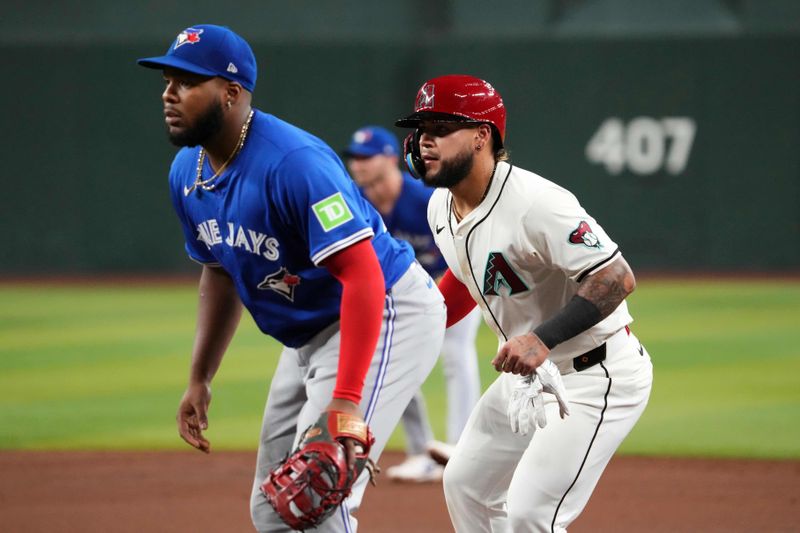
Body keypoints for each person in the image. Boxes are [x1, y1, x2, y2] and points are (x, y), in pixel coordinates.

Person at [137, 25, 446, 533]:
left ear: (231, 93)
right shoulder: (186, 173)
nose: (169, 94)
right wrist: (200, 378)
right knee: (274, 507)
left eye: (187, 81)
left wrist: (346, 401)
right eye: (168, 79)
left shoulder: (294, 164)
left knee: (320, 495)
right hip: (310, 335)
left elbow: (364, 275)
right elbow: (218, 273)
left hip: (386, 310)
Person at [395, 74, 653, 532]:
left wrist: (541, 338)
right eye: (420, 129)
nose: (424, 141)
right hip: (528, 378)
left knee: (532, 514)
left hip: (594, 376)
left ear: (481, 136)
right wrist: (414, 328)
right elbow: (464, 274)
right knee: (466, 485)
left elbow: (616, 277)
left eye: (440, 129)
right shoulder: (440, 206)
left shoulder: (536, 203)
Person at [343, 126, 482, 482]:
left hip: (457, 281)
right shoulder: (358, 204)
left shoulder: (426, 198)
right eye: (354, 158)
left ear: (391, 159)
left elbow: (465, 246)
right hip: (401, 297)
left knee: (455, 351)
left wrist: (434, 292)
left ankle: (461, 449)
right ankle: (422, 452)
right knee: (395, 360)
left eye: (366, 156)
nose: (358, 165)